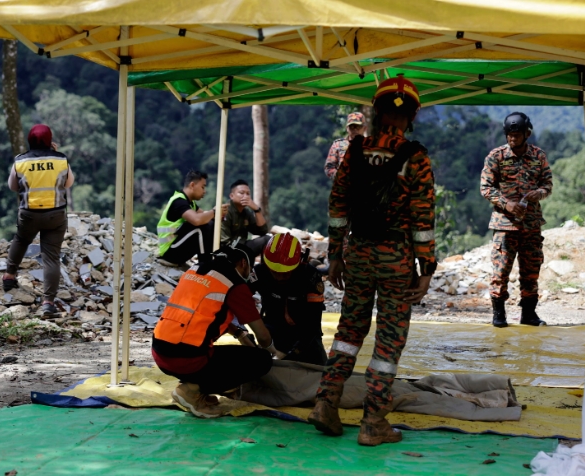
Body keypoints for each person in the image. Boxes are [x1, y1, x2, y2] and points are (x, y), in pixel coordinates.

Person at [308, 76, 435, 447]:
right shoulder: (416, 157)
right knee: (389, 341)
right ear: (411, 115)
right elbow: (423, 217)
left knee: (348, 332)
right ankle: (373, 421)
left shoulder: (355, 150)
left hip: (358, 254)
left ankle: (326, 401)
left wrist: (335, 255)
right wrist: (425, 269)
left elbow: (338, 206)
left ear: (376, 112)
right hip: (396, 259)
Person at [151, 243, 282, 418]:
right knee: (261, 361)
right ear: (243, 263)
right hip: (186, 359)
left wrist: (239, 334)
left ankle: (198, 391)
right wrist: (273, 352)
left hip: (160, 352)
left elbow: (205, 312)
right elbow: (263, 336)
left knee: (216, 354)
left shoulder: (197, 271)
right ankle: (190, 390)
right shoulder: (235, 285)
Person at [480, 112, 553, 328]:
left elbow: (548, 184)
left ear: (526, 134)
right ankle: (499, 314)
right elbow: (485, 187)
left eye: (517, 135)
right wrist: (505, 203)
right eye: (509, 135)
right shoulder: (496, 156)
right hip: (504, 225)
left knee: (531, 271)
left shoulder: (539, 156)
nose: (512, 139)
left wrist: (539, 193)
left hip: (531, 224)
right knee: (500, 271)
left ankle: (529, 313)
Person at [1, 124, 74, 317]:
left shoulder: (20, 161)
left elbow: (12, 186)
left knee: (21, 239)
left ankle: (9, 275)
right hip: (56, 214)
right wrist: (54, 154)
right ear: (50, 140)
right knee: (51, 257)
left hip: (29, 213)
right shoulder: (61, 159)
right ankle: (48, 302)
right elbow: (68, 183)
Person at [250, 233, 328, 366]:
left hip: (305, 335)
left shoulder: (310, 277)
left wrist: (293, 352)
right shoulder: (258, 273)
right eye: (275, 272)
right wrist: (242, 333)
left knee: (318, 374)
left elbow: (313, 323)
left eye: (285, 273)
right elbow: (239, 301)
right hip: (272, 332)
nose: (280, 277)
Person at [157, 170, 228, 266]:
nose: (204, 191)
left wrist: (218, 214)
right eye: (202, 187)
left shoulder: (191, 203)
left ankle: (214, 259)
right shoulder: (179, 201)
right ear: (192, 185)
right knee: (202, 227)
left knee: (211, 223)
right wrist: (214, 212)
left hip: (176, 248)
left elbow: (205, 215)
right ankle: (205, 265)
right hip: (169, 253)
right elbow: (197, 220)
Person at [221, 179, 271, 256]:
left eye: (248, 194)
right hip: (229, 250)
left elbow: (262, 231)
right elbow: (225, 242)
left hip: (242, 246)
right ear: (232, 196)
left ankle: (262, 267)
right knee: (266, 240)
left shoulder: (246, 212)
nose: (246, 196)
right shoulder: (226, 211)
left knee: (268, 239)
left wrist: (256, 210)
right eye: (242, 193)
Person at [324, 112, 365, 180]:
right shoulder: (338, 145)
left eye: (358, 127)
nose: (355, 129)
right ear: (347, 128)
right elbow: (329, 167)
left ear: (364, 128)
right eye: (352, 126)